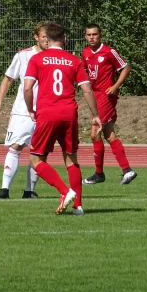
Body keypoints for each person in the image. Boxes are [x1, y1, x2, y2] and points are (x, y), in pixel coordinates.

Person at [24, 21, 102, 215]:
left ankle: (65, 191)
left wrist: (30, 109)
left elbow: (27, 87)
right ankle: (78, 206)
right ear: (64, 39)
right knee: (71, 159)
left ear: (47, 41)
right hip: (69, 114)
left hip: (47, 113)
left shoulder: (37, 59)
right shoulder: (74, 61)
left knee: (36, 159)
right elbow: (86, 90)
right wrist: (95, 115)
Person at [0, 23, 45, 199]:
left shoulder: (54, 57)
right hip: (23, 111)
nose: (46, 39)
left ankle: (29, 191)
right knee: (16, 147)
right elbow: (8, 78)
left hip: (45, 111)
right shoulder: (23, 55)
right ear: (35, 36)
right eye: (43, 36)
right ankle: (5, 189)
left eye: (48, 36)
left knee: (39, 151)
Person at [81, 23, 137, 185]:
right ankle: (127, 170)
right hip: (94, 96)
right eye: (89, 35)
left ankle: (99, 174)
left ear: (100, 35)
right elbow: (85, 72)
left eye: (95, 34)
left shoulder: (109, 51)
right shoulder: (85, 52)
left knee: (94, 133)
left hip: (106, 95)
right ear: (85, 36)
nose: (92, 37)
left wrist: (115, 86)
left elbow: (126, 68)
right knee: (109, 134)